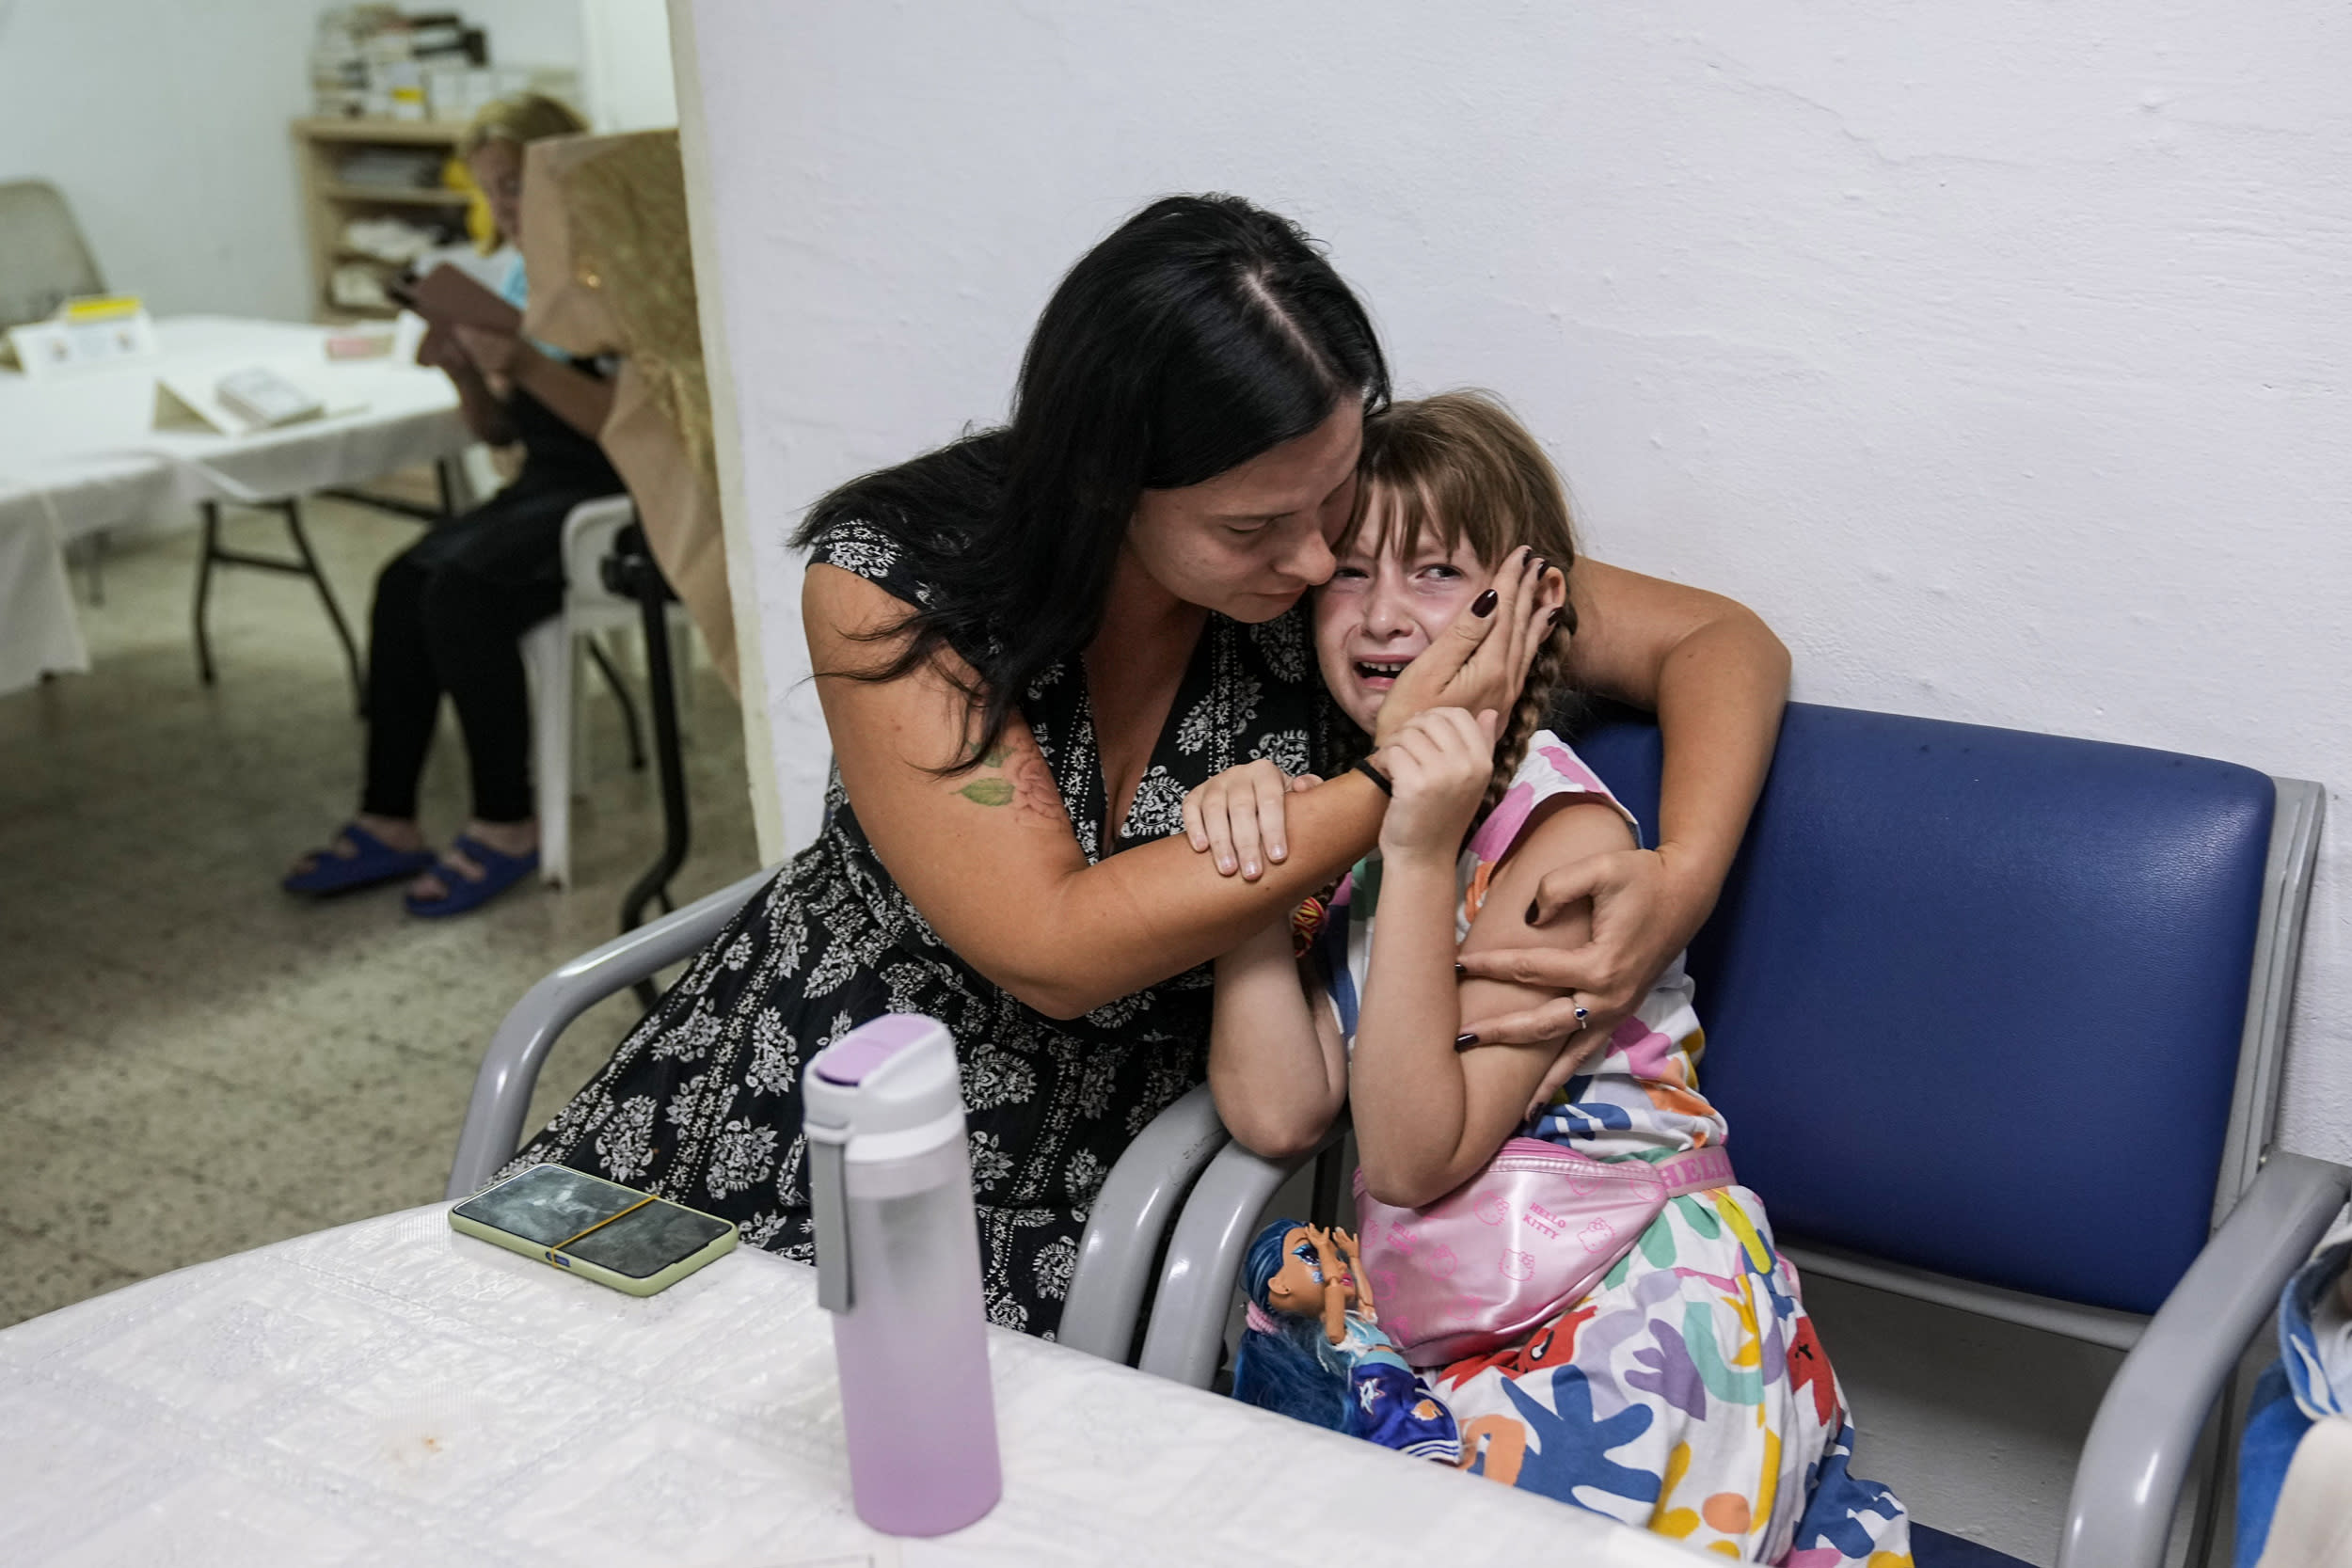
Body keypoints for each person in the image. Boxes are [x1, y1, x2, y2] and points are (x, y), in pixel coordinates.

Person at [507, 195, 1789, 1341]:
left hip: (1086, 1177)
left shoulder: (1352, 571)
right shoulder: (898, 578)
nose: (1309, 566)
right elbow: (1053, 942)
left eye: (1332, 497)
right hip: (806, 1076)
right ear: (1109, 483)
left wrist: (1679, 876)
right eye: (1254, 528)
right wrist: (1398, 786)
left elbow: (1719, 640)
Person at [1200, 391, 1910, 1560]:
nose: (1383, 615)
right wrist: (1247, 879)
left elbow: (1417, 1151)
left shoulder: (1562, 837)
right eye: (1352, 573)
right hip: (1465, 1323)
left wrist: (1423, 846)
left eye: (1436, 573)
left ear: (1532, 609)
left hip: (1632, 1317)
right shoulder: (1366, 826)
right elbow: (1279, 1103)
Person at [284, 93, 620, 916]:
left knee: (463, 592)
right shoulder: (510, 273)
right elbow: (502, 433)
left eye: (515, 186)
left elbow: (630, 432)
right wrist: (466, 373)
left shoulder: (613, 271)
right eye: (490, 191)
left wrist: (531, 365)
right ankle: (388, 817)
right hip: (546, 480)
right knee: (402, 581)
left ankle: (508, 821)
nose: (502, 207)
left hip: (617, 493)